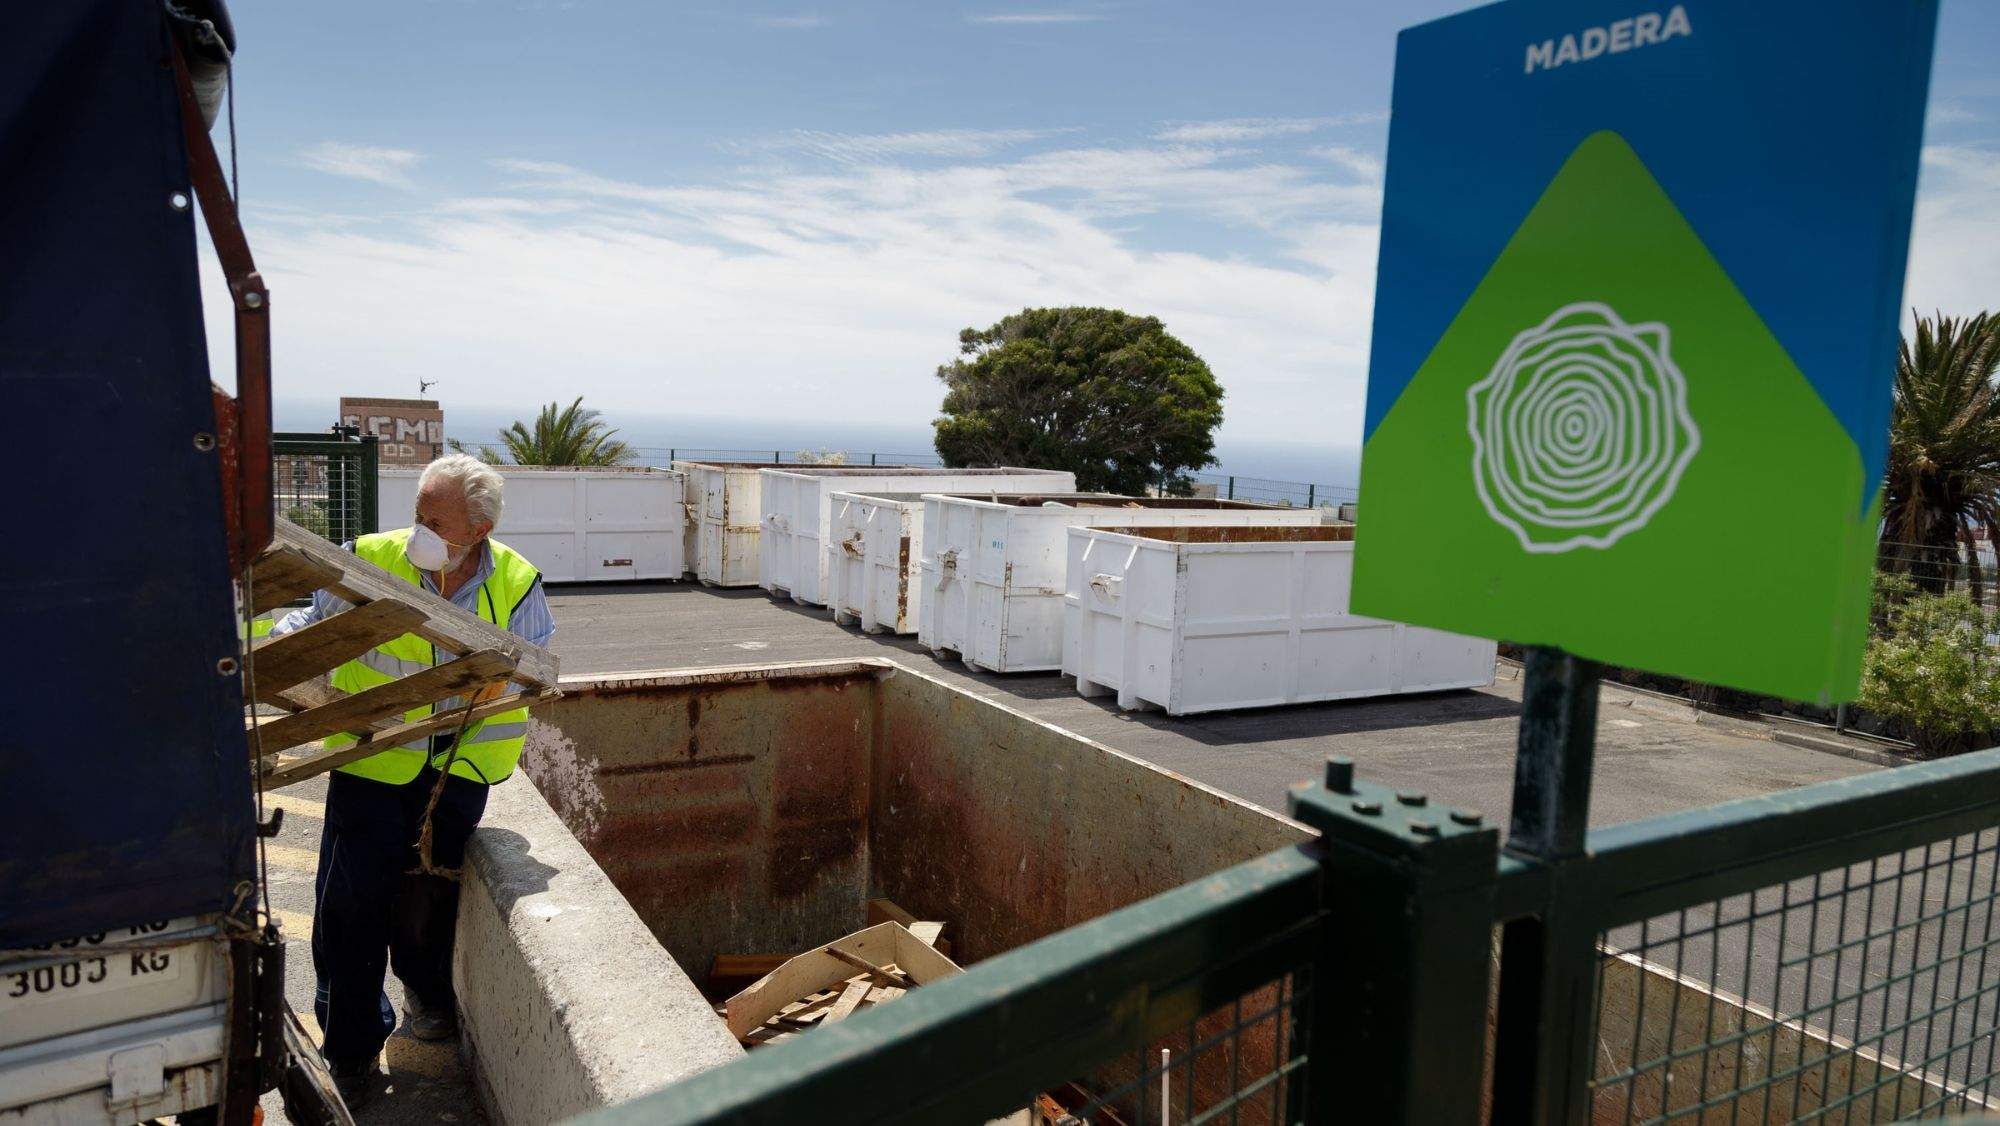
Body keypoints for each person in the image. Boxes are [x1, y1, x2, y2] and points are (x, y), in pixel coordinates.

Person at [268, 453, 554, 1108]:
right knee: (350, 911)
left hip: (457, 775)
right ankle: (351, 1051)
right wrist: (284, 663)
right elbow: (307, 629)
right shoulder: (372, 559)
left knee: (427, 905)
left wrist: (499, 679)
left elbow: (536, 664)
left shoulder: (514, 581)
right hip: (372, 769)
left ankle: (425, 993)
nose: (418, 528)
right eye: (417, 514)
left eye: (435, 519)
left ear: (476, 531)